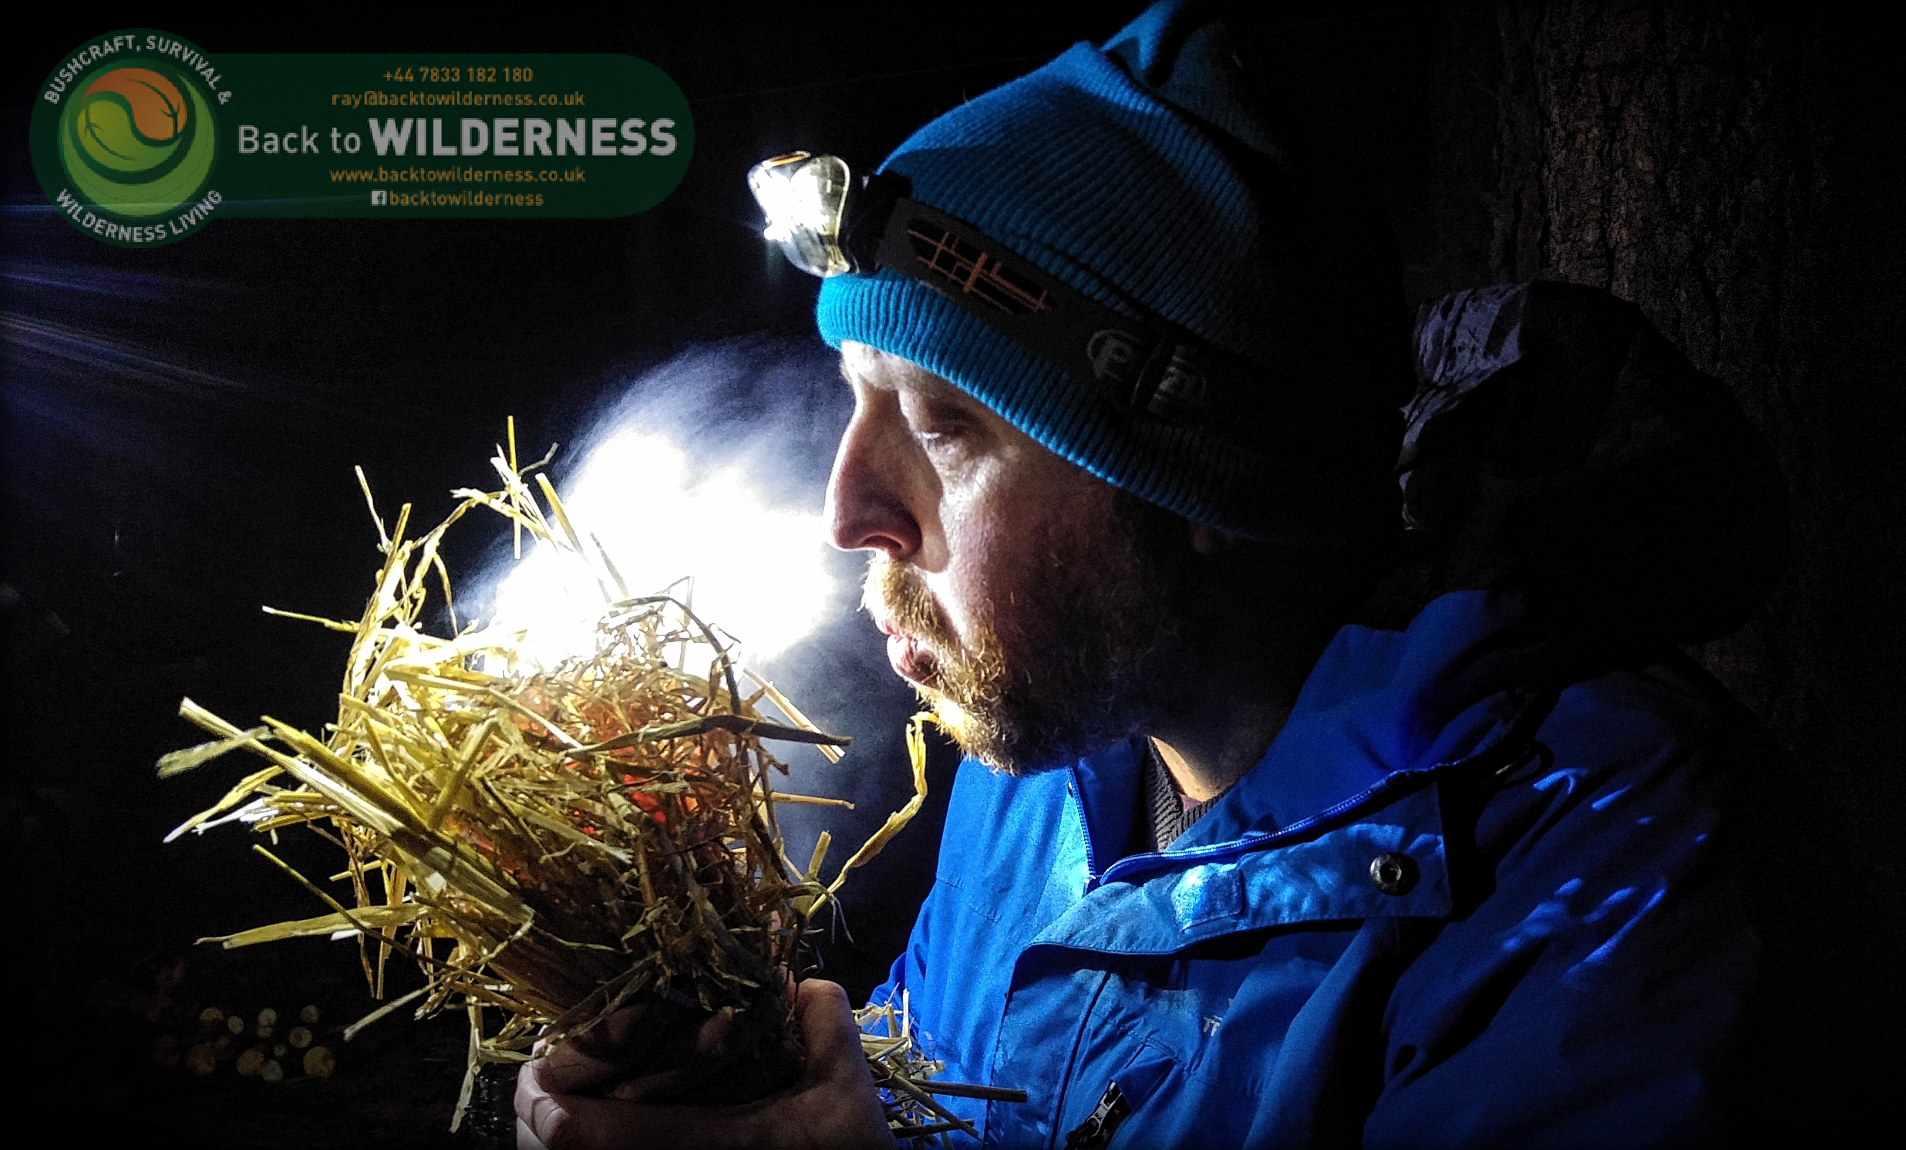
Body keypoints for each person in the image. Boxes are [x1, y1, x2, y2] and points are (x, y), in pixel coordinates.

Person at [516, 2, 1786, 1146]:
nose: (848, 512)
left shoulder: (1604, 885)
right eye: (859, 402)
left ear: (1199, 483)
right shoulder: (1048, 768)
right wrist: (744, 1100)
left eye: (945, 426)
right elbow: (941, 1101)